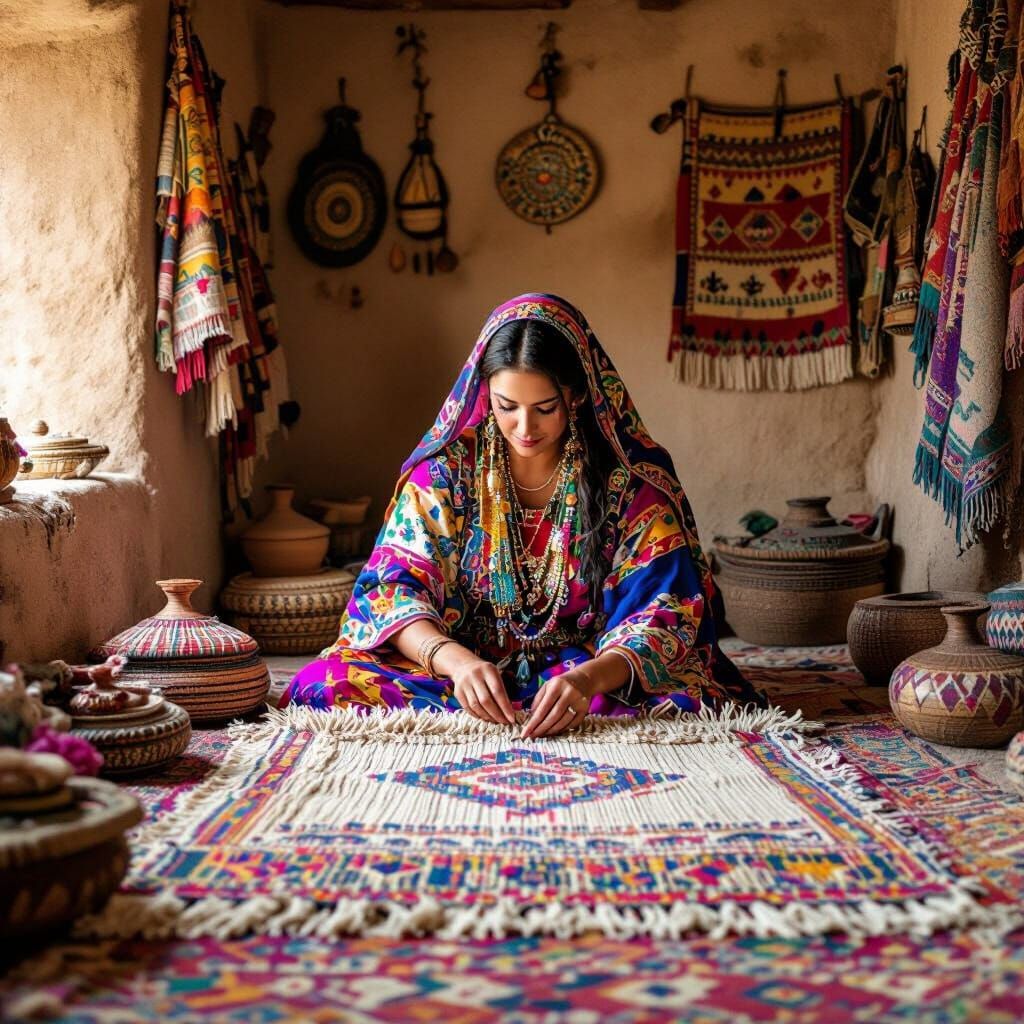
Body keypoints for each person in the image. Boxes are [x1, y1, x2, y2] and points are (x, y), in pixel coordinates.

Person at [281, 293, 761, 736]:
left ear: (576, 395)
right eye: (506, 406)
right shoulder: (446, 475)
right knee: (325, 685)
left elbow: (669, 609)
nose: (524, 427)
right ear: (483, 390)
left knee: (686, 699)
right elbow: (389, 590)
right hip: (460, 671)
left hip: (588, 672)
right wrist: (456, 662)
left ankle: (545, 708)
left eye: (544, 408)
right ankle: (497, 704)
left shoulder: (627, 487)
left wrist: (588, 680)